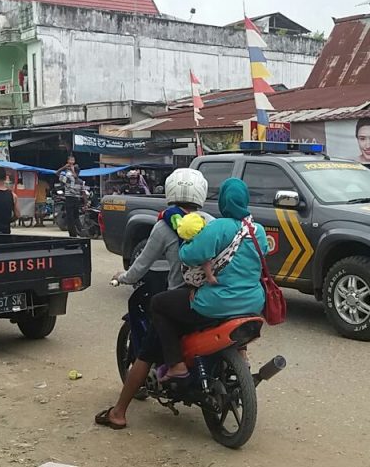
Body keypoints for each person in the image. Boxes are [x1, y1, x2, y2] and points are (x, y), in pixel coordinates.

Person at [96, 168, 211, 430]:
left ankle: (118, 412)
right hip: (213, 297)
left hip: (178, 300)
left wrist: (123, 277)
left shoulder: (163, 225)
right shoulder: (210, 221)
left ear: (170, 192)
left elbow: (141, 264)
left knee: (146, 352)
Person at [150, 178, 267, 382]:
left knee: (158, 303)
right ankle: (241, 353)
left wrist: (188, 241)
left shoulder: (218, 227)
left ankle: (176, 365)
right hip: (253, 303)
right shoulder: (258, 230)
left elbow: (188, 256)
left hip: (217, 303)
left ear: (223, 201)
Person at [57, 156, 84, 237]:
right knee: (76, 217)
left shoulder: (68, 179)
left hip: (69, 200)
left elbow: (57, 173)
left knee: (70, 218)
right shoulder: (80, 181)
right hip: (77, 200)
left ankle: (73, 234)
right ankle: (81, 231)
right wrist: (85, 204)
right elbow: (83, 193)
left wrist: (64, 167)